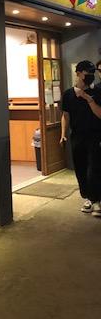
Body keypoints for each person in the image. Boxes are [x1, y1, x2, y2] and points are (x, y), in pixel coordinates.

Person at [60, 60, 101, 216]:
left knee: (94, 168)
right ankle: (88, 198)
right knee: (81, 168)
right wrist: (63, 134)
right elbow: (65, 115)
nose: (90, 76)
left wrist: (86, 97)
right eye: (87, 73)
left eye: (92, 73)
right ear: (78, 73)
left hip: (95, 135)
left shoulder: (97, 91)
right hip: (77, 136)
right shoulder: (68, 94)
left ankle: (97, 200)